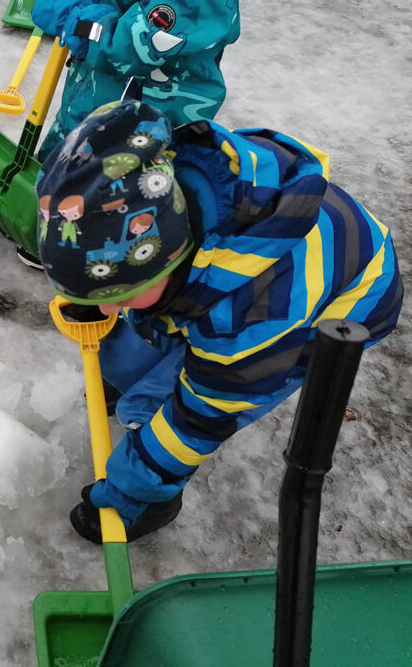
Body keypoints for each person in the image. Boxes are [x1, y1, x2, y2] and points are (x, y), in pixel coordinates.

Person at [35, 100, 403, 542]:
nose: (112, 309)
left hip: (340, 306)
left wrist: (132, 482)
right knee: (140, 340)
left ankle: (152, 500)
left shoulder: (250, 322)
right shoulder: (168, 192)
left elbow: (200, 419)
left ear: (169, 256)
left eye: (123, 294)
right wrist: (103, 294)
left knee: (184, 400)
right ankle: (141, 368)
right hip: (244, 269)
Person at [30, 0, 286, 163]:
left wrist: (72, 20)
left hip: (138, 121)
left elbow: (132, 48)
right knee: (63, 167)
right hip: (105, 94)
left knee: (94, 190)